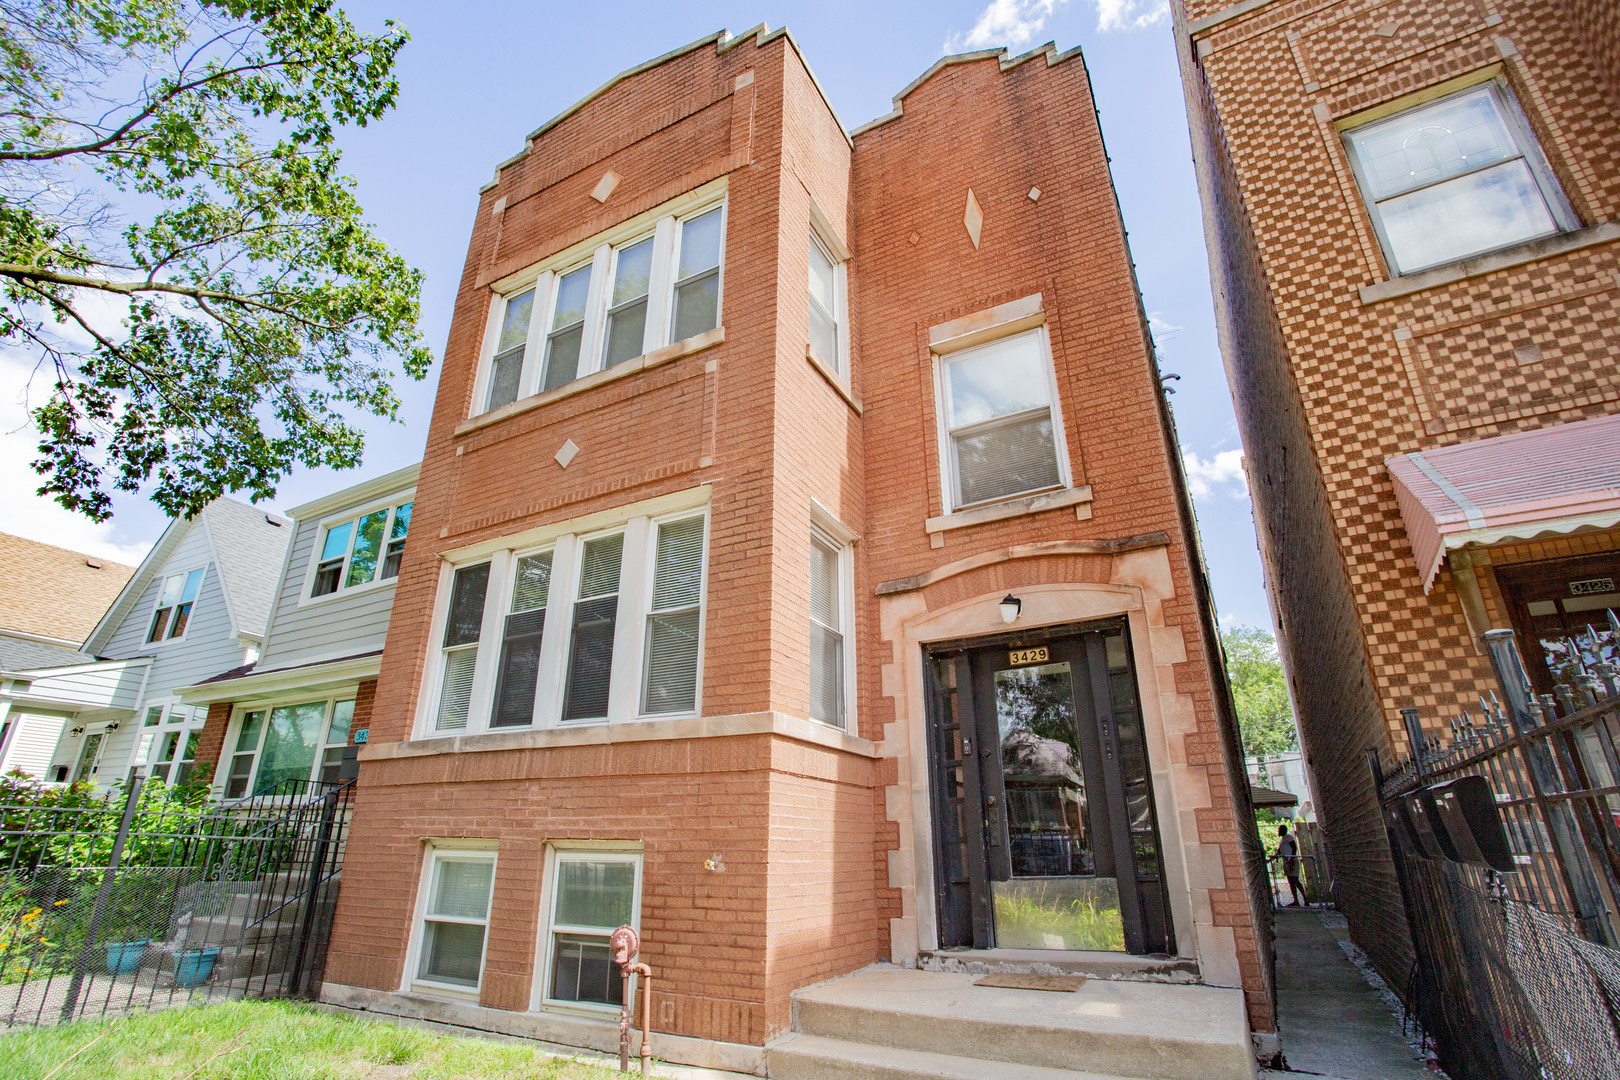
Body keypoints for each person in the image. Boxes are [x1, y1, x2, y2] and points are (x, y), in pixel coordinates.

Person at [1277, 824, 1305, 907]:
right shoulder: (1282, 840)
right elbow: (1279, 851)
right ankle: (1296, 900)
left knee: (1295, 880)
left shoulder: (1289, 837)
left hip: (1292, 861)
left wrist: (1291, 859)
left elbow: (1294, 848)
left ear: (1283, 830)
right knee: (1291, 882)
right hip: (1286, 862)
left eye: (1280, 830)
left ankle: (1305, 899)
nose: (1278, 832)